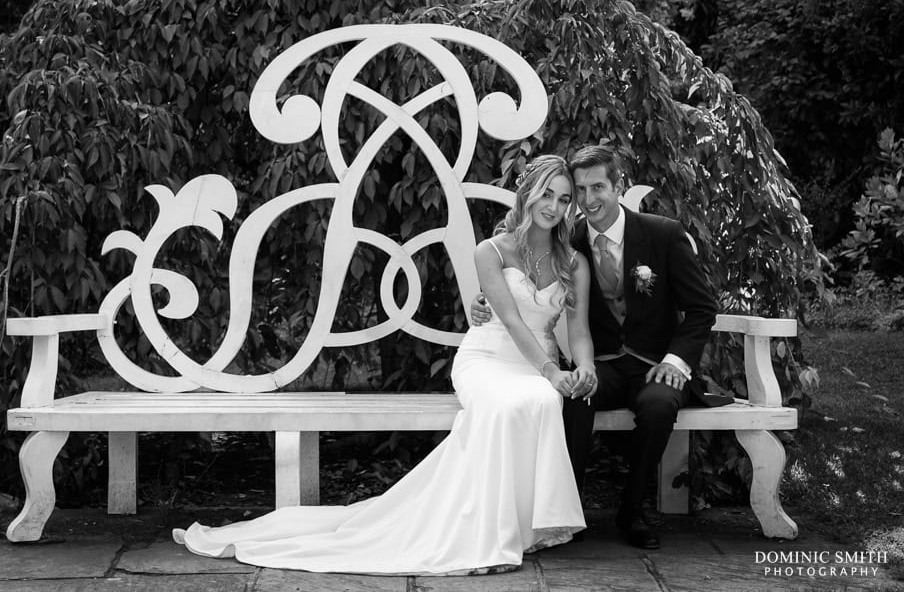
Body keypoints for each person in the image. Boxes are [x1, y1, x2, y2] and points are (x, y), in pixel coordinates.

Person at [173, 154, 595, 575]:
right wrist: (551, 371)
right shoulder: (492, 251)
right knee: (506, 407)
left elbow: (577, 329)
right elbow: (511, 320)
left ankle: (526, 526)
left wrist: (585, 366)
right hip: (488, 357)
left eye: (562, 200)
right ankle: (487, 535)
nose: (553, 208)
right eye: (546, 195)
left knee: (540, 401)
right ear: (527, 195)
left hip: (535, 364)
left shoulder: (573, 262)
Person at [470, 144, 724, 550]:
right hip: (601, 364)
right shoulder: (566, 242)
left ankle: (632, 509)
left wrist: (676, 361)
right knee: (573, 398)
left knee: (659, 405)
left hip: (654, 366)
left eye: (598, 187)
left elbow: (701, 309)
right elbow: (523, 282)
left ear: (618, 186)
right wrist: (482, 303)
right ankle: (566, 510)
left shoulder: (662, 234)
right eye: (580, 191)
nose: (589, 200)